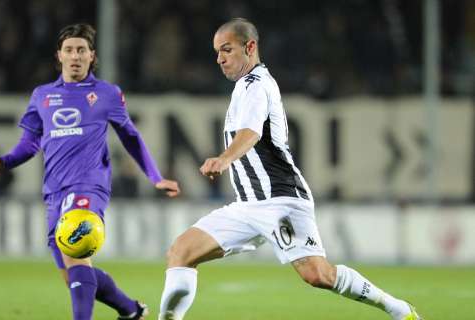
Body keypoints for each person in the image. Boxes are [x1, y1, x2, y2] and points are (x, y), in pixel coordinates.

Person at [157, 18, 421, 320]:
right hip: (246, 207)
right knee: (181, 252)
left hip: (281, 199)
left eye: (227, 50)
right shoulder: (243, 87)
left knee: (317, 274)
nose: (220, 58)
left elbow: (251, 133)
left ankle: (398, 310)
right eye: (217, 52)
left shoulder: (258, 85)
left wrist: (225, 158)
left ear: (250, 47)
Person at [0, 23, 180, 320]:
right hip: (54, 190)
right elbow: (30, 142)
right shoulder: (42, 95)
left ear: (92, 56)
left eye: (81, 50)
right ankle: (131, 309)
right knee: (74, 273)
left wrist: (155, 177)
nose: (75, 56)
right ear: (59, 56)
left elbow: (130, 136)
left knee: (76, 252)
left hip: (89, 185)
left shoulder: (106, 93)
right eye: (69, 50)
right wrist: (6, 162)